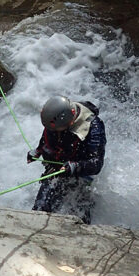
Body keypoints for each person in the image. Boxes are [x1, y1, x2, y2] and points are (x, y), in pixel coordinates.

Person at [27, 95, 106, 223]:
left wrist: (75, 166)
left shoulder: (93, 126)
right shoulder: (54, 118)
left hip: (82, 176)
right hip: (56, 171)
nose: (54, 132)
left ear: (70, 122)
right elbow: (46, 140)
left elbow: (96, 164)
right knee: (39, 212)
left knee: (78, 221)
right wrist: (38, 151)